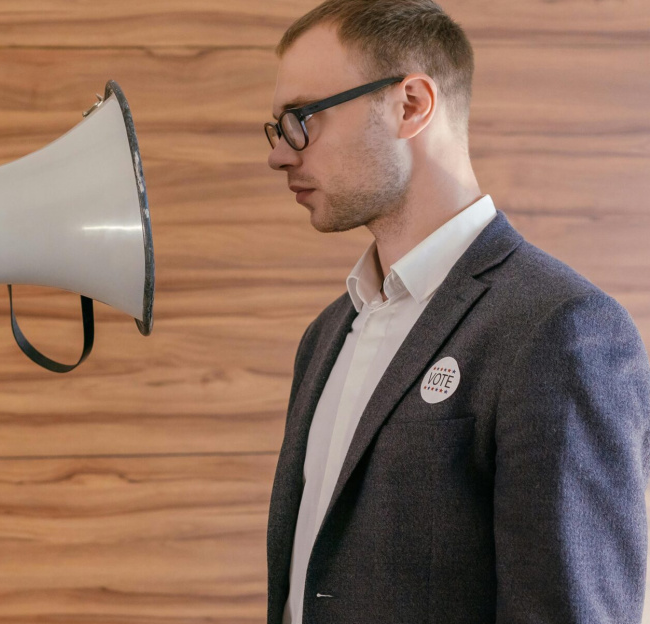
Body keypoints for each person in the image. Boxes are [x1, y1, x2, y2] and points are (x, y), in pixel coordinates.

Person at [263, 1, 650, 622]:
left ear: (411, 104)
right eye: (276, 129)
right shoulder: (328, 333)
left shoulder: (561, 329)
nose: (281, 155)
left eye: (302, 118)